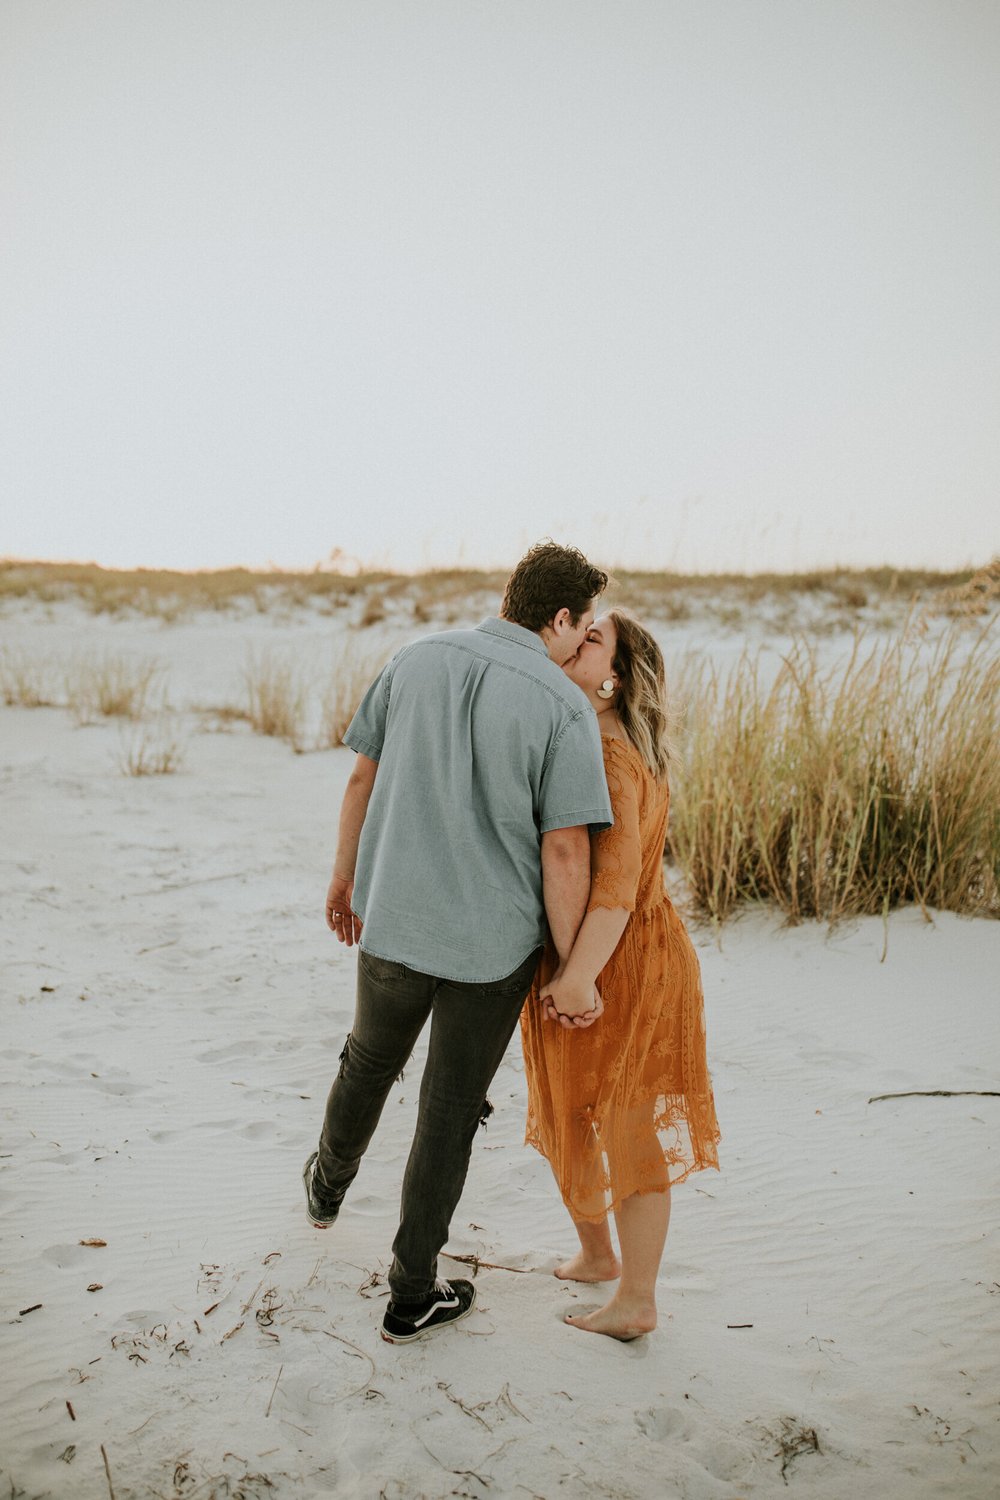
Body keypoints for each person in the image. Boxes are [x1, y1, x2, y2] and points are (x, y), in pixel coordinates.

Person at [303, 542, 613, 1343]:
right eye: (582, 628)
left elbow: (361, 779)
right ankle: (411, 1294)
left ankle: (327, 1187)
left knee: (367, 1060)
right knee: (446, 1114)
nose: (584, 644)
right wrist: (572, 963)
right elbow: (567, 850)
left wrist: (344, 879)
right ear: (560, 616)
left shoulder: (416, 658)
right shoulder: (563, 706)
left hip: (395, 919)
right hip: (491, 948)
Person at [521, 609, 721, 1341]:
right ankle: (598, 1255)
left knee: (625, 1123)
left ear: (611, 680)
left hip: (621, 956)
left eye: (592, 637)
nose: (574, 639)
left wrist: (578, 975)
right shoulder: (605, 739)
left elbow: (617, 881)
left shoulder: (607, 752)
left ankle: (637, 1298)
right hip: (620, 947)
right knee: (571, 1106)